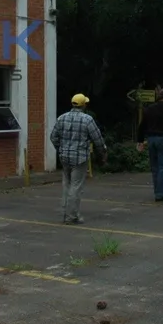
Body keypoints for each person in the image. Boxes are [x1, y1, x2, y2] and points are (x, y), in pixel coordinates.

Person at [50, 93, 107, 225]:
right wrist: (103, 152)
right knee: (76, 186)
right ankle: (72, 216)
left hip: (64, 156)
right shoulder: (87, 119)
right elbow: (97, 139)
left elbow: (53, 137)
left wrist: (61, 149)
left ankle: (65, 214)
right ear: (84, 105)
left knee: (67, 185)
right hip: (80, 157)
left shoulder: (62, 118)